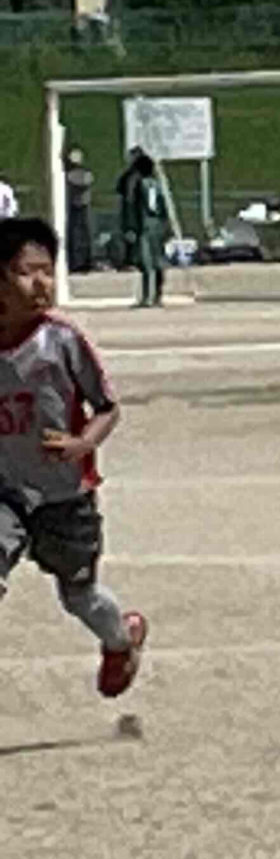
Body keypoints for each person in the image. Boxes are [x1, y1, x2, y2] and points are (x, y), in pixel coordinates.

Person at [0, 218, 146, 698]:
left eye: (48, 271)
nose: (41, 283)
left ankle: (121, 640)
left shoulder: (61, 341)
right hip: (6, 491)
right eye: (27, 272)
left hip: (64, 494)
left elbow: (107, 408)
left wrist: (82, 444)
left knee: (79, 596)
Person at [117, 151, 169, 308]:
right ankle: (158, 295)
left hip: (144, 225)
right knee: (158, 261)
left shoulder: (138, 183)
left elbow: (131, 206)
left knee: (146, 262)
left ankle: (147, 296)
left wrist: (129, 227)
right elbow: (163, 206)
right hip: (157, 224)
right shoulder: (157, 183)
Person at [62, 147, 94, 273]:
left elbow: (84, 180)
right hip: (76, 207)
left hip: (80, 206)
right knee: (77, 235)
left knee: (81, 235)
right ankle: (78, 262)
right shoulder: (80, 174)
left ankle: (83, 261)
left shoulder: (75, 175)